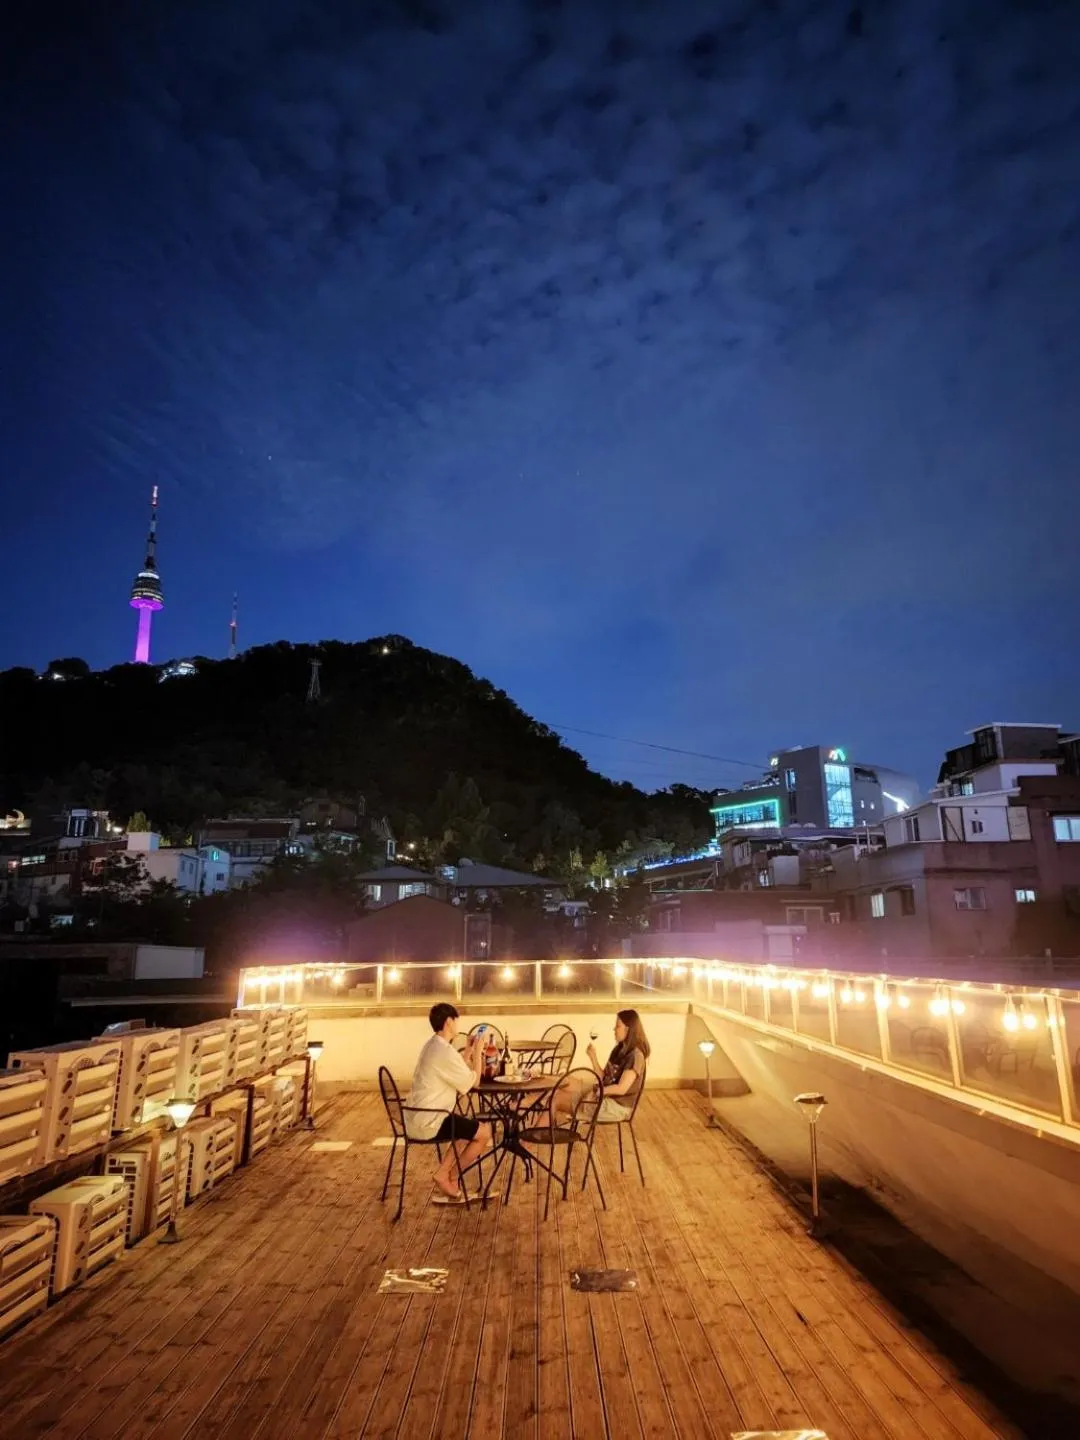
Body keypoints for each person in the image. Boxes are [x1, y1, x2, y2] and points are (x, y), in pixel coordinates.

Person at [407, 1001, 493, 1202]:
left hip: (420, 1115)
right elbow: (475, 1082)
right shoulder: (443, 1051)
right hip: (431, 1119)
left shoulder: (434, 1045)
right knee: (484, 1133)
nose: (458, 1024)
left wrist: (469, 1051)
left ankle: (444, 1174)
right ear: (448, 1022)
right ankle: (451, 1176)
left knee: (466, 1129)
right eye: (456, 1020)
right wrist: (479, 1053)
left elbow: (456, 1071)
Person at [555, 1008, 649, 1123]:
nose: (614, 1029)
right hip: (606, 1096)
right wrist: (593, 1058)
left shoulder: (635, 1056)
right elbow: (604, 1077)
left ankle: (546, 1130)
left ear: (628, 1030)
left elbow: (621, 1089)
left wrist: (597, 1092)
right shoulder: (618, 1049)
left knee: (556, 1100)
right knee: (564, 1082)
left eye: (618, 1026)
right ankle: (548, 1122)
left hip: (617, 1107)